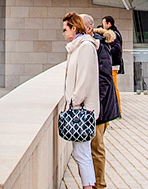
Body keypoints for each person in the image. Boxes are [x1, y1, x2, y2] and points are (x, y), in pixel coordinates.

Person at [61, 13, 99, 189]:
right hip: (79, 108)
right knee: (81, 153)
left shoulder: (85, 47)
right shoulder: (78, 46)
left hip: (82, 110)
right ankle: (88, 185)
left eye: (65, 29)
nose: (63, 33)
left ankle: (88, 186)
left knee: (82, 153)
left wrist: (73, 101)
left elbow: (84, 79)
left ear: (74, 28)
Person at [84, 15, 120, 189]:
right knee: (92, 147)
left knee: (96, 147)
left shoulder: (100, 47)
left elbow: (104, 79)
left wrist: (94, 104)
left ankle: (100, 184)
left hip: (100, 108)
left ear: (89, 28)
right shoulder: (92, 45)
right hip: (98, 106)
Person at [101, 16, 124, 109]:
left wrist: (107, 50)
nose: (102, 25)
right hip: (114, 64)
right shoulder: (115, 33)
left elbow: (117, 48)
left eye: (104, 23)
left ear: (109, 24)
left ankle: (118, 109)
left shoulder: (113, 34)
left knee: (114, 87)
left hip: (113, 64)